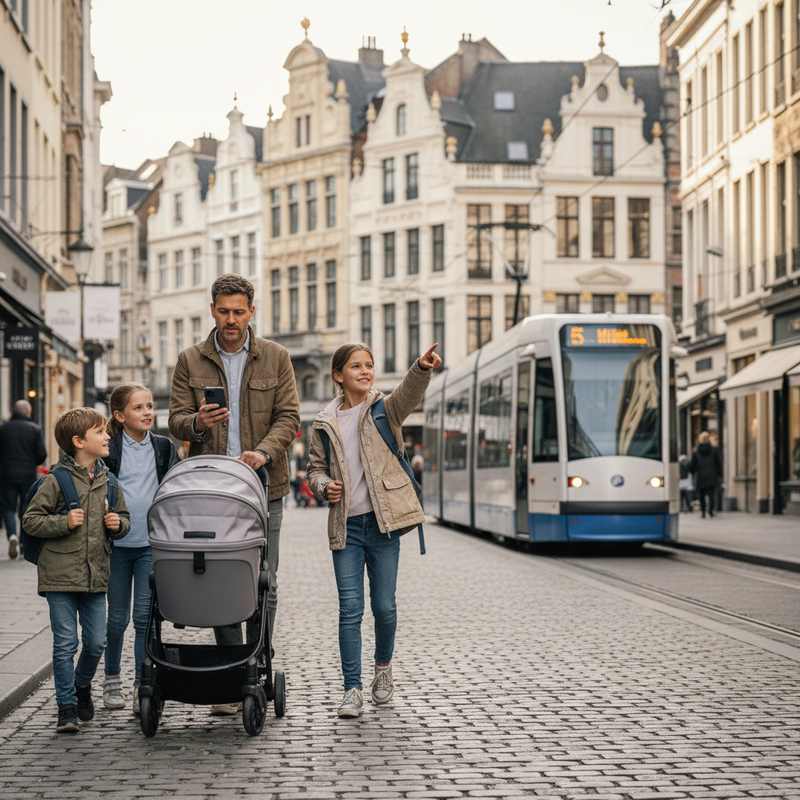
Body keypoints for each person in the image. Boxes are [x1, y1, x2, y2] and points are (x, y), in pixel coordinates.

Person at [169, 273, 300, 715]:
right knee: (221, 577)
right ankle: (229, 674)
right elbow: (175, 419)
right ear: (212, 310)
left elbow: (289, 417)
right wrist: (196, 423)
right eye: (223, 311)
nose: (231, 319)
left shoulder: (277, 357)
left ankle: (257, 661)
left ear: (251, 311)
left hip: (265, 485)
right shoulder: (190, 359)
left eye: (238, 312)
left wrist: (263, 453)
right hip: (211, 488)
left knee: (265, 579)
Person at [307, 342, 442, 719]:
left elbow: (408, 393)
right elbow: (315, 469)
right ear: (338, 375)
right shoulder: (324, 422)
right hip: (346, 527)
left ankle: (383, 669)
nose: (365, 371)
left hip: (383, 526)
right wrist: (323, 486)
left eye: (369, 365)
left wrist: (421, 367)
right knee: (350, 609)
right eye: (356, 366)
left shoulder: (385, 409)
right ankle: (351, 688)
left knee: (384, 606)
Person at [21, 407, 130, 733]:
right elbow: (30, 520)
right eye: (101, 432)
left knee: (96, 643)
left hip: (96, 575)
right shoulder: (55, 480)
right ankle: (66, 707)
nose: (108, 436)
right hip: (59, 576)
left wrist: (118, 524)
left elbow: (124, 519)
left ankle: (82, 684)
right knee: (65, 644)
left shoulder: (110, 481)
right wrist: (63, 522)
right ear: (79, 441)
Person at [102, 383, 180, 715]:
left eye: (149, 406)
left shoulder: (163, 446)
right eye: (138, 408)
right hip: (116, 547)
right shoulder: (108, 448)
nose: (147, 412)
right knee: (117, 619)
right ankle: (111, 679)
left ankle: (141, 685)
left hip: (150, 545)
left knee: (144, 619)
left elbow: (176, 487)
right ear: (119, 416)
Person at [0, 399, 48, 559]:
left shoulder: (3, 429)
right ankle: (22, 544)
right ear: (28, 412)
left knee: (8, 507)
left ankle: (12, 536)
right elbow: (41, 454)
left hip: (7, 475)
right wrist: (32, 462)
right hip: (28, 475)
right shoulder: (35, 429)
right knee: (26, 509)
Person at [689, 431, 723, 518]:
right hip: (712, 475)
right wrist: (720, 475)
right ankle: (711, 510)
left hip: (701, 476)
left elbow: (693, 465)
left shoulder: (696, 452)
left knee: (702, 495)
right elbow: (718, 464)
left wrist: (693, 474)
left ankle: (703, 511)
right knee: (711, 494)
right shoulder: (714, 450)